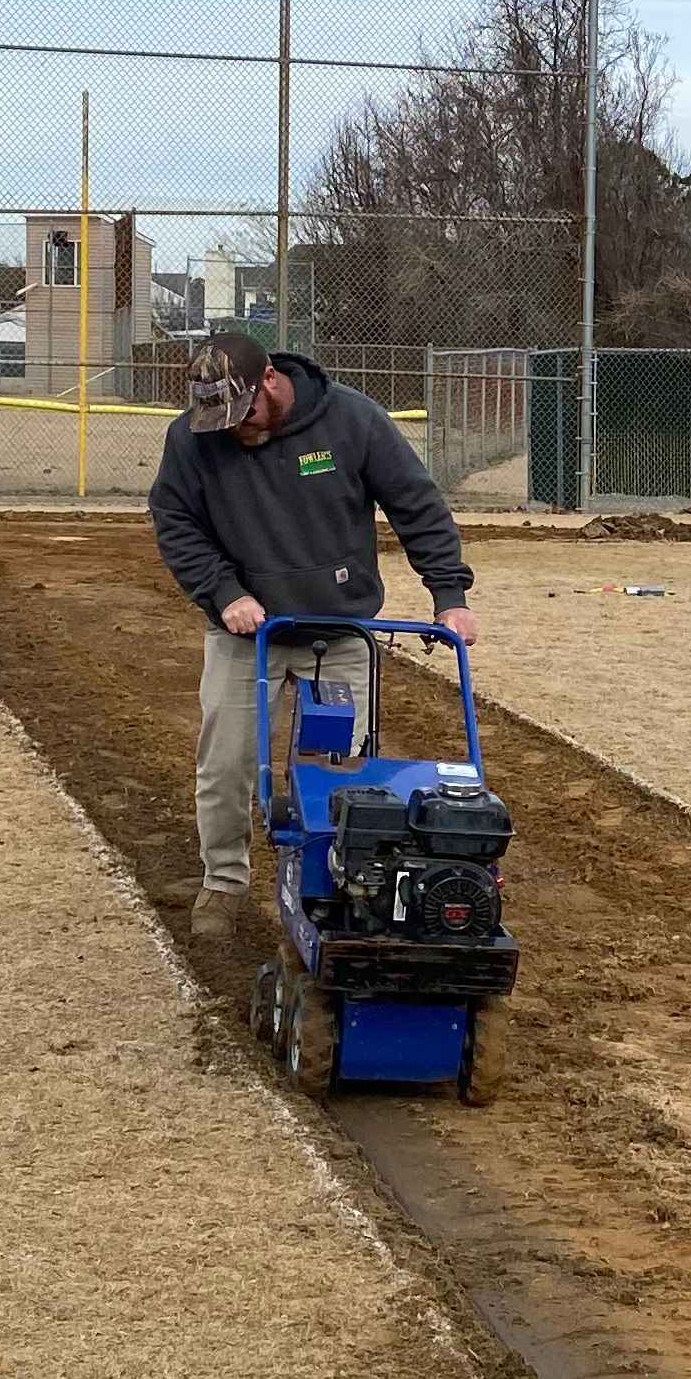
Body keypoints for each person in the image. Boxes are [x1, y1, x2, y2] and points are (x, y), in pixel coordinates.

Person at [149, 328, 475, 945]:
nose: (232, 428)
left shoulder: (352, 421)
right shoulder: (193, 439)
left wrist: (449, 597)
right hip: (249, 635)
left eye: (240, 413)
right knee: (224, 768)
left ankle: (344, 883)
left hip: (341, 631)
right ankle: (223, 881)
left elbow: (417, 506)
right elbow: (176, 523)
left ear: (269, 380)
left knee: (348, 775)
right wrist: (225, 594)